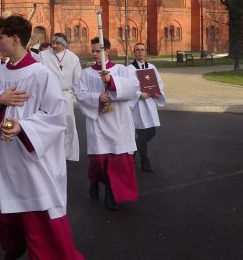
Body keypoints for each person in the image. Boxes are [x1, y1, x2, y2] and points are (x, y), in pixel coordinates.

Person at [0, 15, 89, 260]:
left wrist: (22, 128)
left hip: (32, 160)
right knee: (4, 217)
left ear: (15, 39)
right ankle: (13, 251)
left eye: (0, 37)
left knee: (38, 221)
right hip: (5, 159)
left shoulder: (41, 74)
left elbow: (55, 116)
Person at [75, 37, 140, 211]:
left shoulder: (122, 70)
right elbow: (80, 94)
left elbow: (133, 87)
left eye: (99, 50)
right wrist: (97, 97)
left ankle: (111, 194)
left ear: (107, 51)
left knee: (118, 161)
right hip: (98, 122)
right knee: (99, 159)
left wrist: (111, 83)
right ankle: (94, 181)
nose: (95, 54)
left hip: (119, 121)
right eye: (94, 51)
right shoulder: (87, 73)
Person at [38, 32, 83, 161]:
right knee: (50, 124)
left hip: (66, 95)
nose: (54, 45)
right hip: (50, 95)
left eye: (57, 43)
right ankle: (50, 152)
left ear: (64, 44)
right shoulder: (43, 55)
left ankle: (67, 153)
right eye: (53, 42)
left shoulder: (73, 58)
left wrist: (79, 98)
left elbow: (77, 79)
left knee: (68, 125)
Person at [127, 42, 166, 173]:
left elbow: (158, 83)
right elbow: (127, 87)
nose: (140, 52)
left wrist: (157, 92)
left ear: (145, 52)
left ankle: (132, 152)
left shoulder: (152, 67)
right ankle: (145, 162)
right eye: (137, 50)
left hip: (149, 103)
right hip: (138, 105)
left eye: (142, 50)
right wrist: (138, 94)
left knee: (152, 131)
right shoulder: (129, 69)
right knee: (142, 134)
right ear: (134, 52)